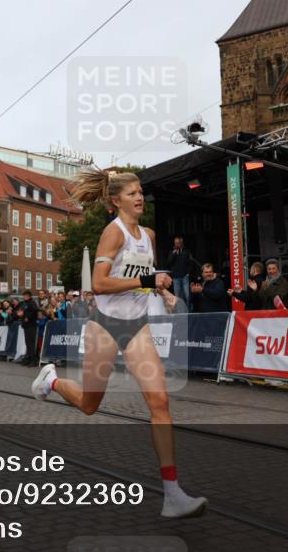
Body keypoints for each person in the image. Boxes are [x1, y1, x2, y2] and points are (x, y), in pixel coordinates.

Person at [31, 168, 207, 519]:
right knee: (89, 405)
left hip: (138, 325)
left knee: (159, 401)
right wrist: (148, 278)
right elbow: (99, 283)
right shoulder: (112, 234)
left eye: (141, 192)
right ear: (116, 200)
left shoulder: (149, 235)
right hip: (106, 326)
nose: (140, 197)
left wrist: (163, 291)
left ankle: (172, 493)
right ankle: (50, 380)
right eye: (132, 193)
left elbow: (141, 279)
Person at [165, 236, 194, 306]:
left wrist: (188, 273)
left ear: (181, 243)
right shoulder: (172, 252)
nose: (177, 244)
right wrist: (173, 254)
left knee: (187, 295)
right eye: (176, 243)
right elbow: (168, 263)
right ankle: (180, 311)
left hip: (184, 276)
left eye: (178, 243)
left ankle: (189, 310)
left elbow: (191, 263)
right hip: (176, 277)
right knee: (177, 296)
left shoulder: (186, 251)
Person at [19, 290, 39, 366]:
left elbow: (35, 311)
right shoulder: (24, 303)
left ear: (29, 296)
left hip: (31, 325)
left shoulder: (32, 303)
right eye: (24, 296)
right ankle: (28, 358)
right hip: (26, 325)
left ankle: (33, 360)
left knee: (31, 343)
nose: (24, 297)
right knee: (27, 343)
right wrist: (21, 314)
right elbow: (22, 311)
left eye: (26, 296)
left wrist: (28, 317)